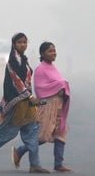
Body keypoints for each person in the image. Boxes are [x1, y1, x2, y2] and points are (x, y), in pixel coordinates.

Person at [0, 33, 50, 173]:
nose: (23, 45)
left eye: (25, 42)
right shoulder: (12, 61)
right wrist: (30, 97)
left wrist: (31, 98)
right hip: (15, 105)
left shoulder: (24, 60)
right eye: (19, 42)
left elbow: (27, 82)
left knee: (31, 134)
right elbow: (17, 82)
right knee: (4, 135)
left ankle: (35, 165)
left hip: (27, 106)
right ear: (14, 44)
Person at [13, 42, 73, 173]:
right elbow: (40, 88)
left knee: (60, 133)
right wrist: (61, 85)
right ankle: (20, 150)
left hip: (58, 106)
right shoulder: (40, 69)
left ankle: (58, 164)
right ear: (42, 54)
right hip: (47, 106)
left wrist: (61, 87)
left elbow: (57, 84)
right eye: (50, 51)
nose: (53, 53)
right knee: (43, 136)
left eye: (54, 51)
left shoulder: (53, 68)